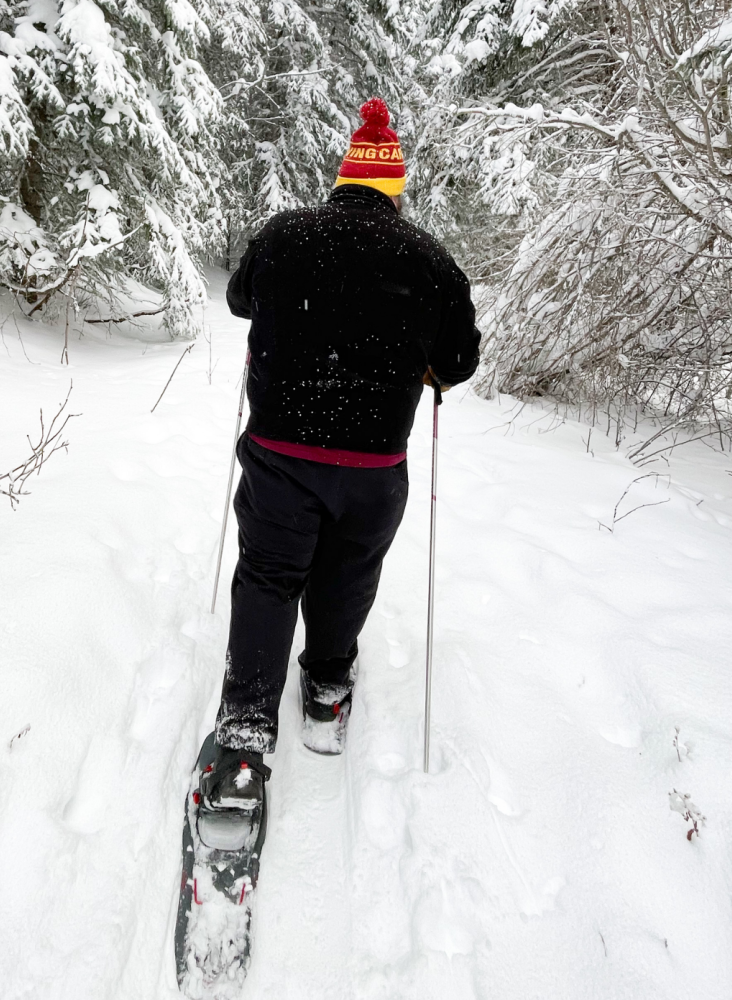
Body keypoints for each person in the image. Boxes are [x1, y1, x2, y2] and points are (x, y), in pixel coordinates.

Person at [197, 97, 481, 816]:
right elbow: (456, 364)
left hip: (280, 451)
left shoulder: (286, 234)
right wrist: (419, 366)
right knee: (347, 573)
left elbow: (238, 299)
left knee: (268, 575)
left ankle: (245, 730)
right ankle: (326, 690)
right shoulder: (432, 261)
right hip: (373, 465)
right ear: (394, 188)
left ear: (343, 179)